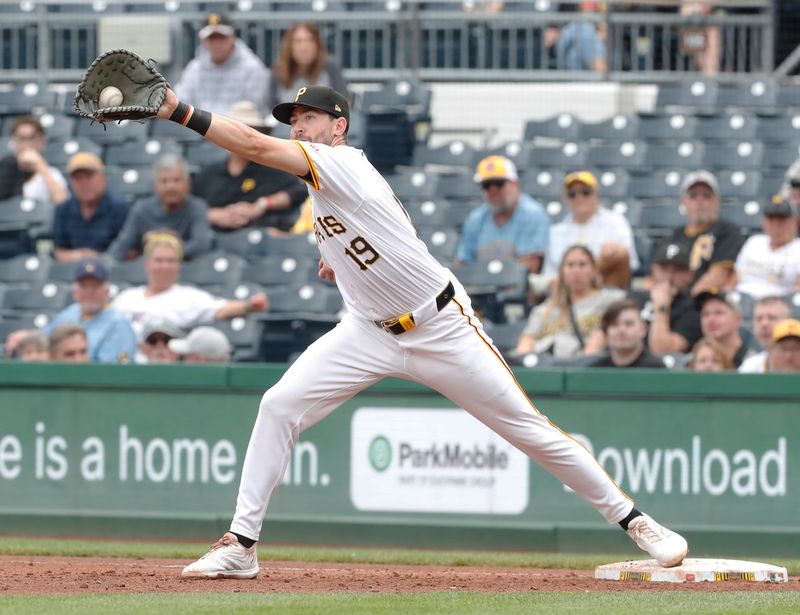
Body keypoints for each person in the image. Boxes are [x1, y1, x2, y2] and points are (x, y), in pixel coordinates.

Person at [151, 83, 687, 578]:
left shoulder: (342, 163)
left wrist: (179, 111)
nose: (298, 127)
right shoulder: (322, 185)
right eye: (293, 119)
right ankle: (241, 545)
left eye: (309, 117)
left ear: (338, 126)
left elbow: (254, 146)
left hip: (440, 327)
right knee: (278, 405)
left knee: (528, 428)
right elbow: (350, 245)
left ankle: (637, 521)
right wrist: (334, 259)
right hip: (367, 332)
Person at [111, 232, 267, 339]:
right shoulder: (126, 297)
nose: (164, 266)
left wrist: (249, 305)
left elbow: (221, 309)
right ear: (147, 264)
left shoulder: (187, 297)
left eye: (170, 261)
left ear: (179, 265)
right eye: (159, 260)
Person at [192, 101, 308, 233]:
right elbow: (186, 206)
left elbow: (301, 190)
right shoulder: (209, 173)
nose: (241, 139)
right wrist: (214, 215)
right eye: (234, 134)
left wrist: (263, 204)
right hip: (212, 245)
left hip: (263, 243)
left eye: (248, 133)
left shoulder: (273, 169)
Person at [4, 258, 137, 364]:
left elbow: (112, 372)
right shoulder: (71, 313)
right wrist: (26, 336)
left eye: (95, 286)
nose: (90, 292)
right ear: (75, 292)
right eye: (84, 287)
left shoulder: (118, 324)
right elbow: (47, 337)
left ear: (107, 291)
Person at [515, 245, 624, 359]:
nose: (576, 271)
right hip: (546, 364)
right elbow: (527, 340)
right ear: (562, 272)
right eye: (570, 265)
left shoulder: (610, 301)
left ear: (594, 270)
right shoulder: (544, 309)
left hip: (584, 364)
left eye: (582, 264)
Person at [542, 171, 639, 290]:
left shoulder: (615, 222)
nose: (579, 198)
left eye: (585, 192)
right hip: (565, 292)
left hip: (604, 288)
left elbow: (630, 264)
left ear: (596, 195)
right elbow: (549, 274)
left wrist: (612, 254)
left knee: (620, 253)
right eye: (572, 194)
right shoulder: (555, 232)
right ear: (566, 199)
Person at [107, 154, 213, 261]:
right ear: (155, 185)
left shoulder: (197, 207)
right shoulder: (142, 209)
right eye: (164, 181)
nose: (170, 187)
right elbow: (121, 247)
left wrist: (164, 245)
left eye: (176, 180)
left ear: (188, 183)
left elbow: (201, 245)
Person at [455, 155, 549, 274]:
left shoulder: (533, 214)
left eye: (499, 183)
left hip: (516, 290)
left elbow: (529, 269)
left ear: (515, 184)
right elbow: (463, 264)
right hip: (478, 288)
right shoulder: (475, 219)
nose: (493, 190)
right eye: (486, 185)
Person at [664, 170, 744, 297]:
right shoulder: (675, 235)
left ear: (717, 201)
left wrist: (688, 301)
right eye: (693, 195)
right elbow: (661, 274)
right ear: (684, 201)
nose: (700, 201)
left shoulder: (727, 231)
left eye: (706, 195)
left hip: (704, 299)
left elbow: (719, 275)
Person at [175, 12, 270, 115]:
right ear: (203, 41)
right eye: (212, 38)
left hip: (238, 128)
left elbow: (255, 110)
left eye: (222, 37)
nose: (217, 44)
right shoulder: (194, 68)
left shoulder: (252, 68)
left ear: (232, 37)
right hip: (198, 128)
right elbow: (182, 102)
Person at [52, 152, 131, 262]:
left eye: (88, 177)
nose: (83, 183)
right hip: (73, 271)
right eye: (78, 178)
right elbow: (59, 250)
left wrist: (97, 258)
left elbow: (130, 251)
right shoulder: (63, 209)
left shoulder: (120, 208)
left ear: (103, 178)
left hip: (112, 271)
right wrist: (78, 256)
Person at [265, 22, 349, 112]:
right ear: (289, 46)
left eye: (310, 41)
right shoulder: (278, 70)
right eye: (298, 41)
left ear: (317, 45)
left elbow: (344, 104)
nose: (304, 47)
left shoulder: (331, 66)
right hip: (288, 123)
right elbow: (271, 108)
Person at [735, 196, 800, 300]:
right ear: (763, 221)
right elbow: (735, 277)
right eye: (771, 218)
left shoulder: (797, 249)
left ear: (795, 221)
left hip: (776, 306)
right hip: (742, 300)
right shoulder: (754, 242)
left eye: (782, 218)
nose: (776, 224)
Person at [646, 241, 703, 355]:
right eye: (663, 269)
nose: (669, 277)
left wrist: (661, 306)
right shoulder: (635, 297)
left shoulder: (695, 307)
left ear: (690, 275)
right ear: (653, 270)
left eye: (677, 270)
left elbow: (662, 351)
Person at [0, 115, 68, 205]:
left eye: (32, 138)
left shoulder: (51, 173)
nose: (27, 144)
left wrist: (40, 166)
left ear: (42, 141)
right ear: (13, 142)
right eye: (21, 139)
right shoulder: (4, 167)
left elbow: (62, 202)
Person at [585, 299, 665, 368]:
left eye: (629, 324)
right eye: (614, 324)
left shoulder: (657, 370)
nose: (621, 330)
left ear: (643, 329)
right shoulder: (596, 370)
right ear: (605, 332)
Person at [694, 290, 758, 369]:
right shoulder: (693, 362)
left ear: (738, 319)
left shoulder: (754, 363)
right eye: (705, 314)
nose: (711, 320)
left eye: (719, 313)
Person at [738, 296, 792, 373]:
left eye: (772, 318)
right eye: (759, 319)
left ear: (789, 321)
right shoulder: (750, 366)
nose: (764, 324)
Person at [552, 1, 608, 73]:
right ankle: (601, 71)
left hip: (579, 46)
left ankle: (598, 69)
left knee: (574, 52)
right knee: (583, 30)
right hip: (565, 38)